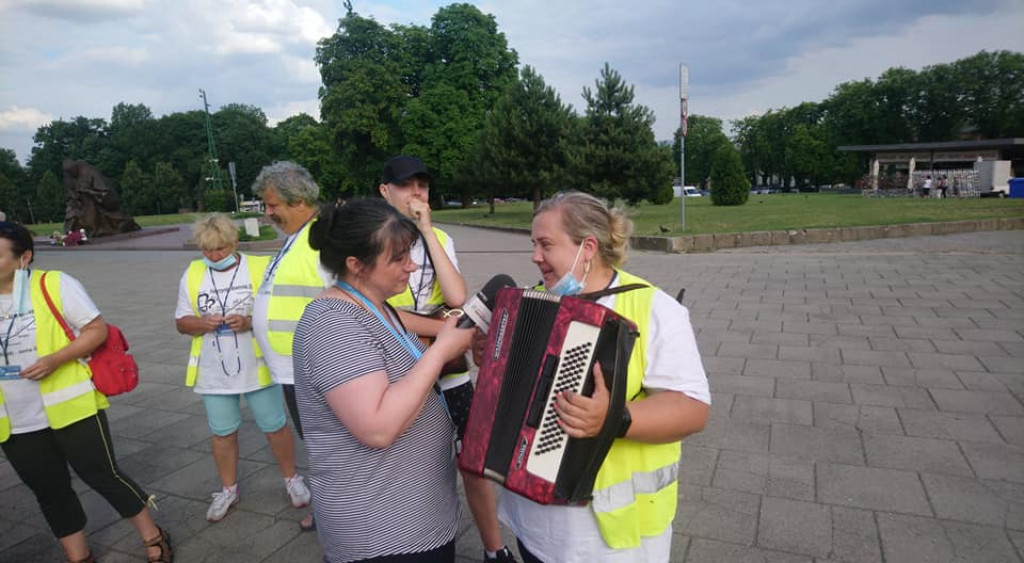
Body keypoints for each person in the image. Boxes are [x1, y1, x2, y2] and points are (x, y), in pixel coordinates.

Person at [492, 192, 710, 562]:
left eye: (546, 244)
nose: (535, 256)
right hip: (533, 524)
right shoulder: (531, 301)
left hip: (610, 540)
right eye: (534, 244)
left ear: (587, 247)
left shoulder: (654, 308)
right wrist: (492, 356)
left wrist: (614, 418)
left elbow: (693, 410)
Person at [293, 198, 473, 562]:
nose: (412, 265)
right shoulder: (332, 325)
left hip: (414, 514)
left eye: (410, 252)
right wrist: (440, 351)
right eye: (398, 258)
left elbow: (405, 329)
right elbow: (377, 428)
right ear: (355, 264)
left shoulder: (373, 304)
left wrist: (453, 333)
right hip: (382, 532)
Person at [0, 222, 172, 563]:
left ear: (24, 258)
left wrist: (57, 358)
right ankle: (79, 557)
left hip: (71, 406)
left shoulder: (53, 284)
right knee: (50, 491)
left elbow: (96, 330)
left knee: (103, 476)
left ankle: (153, 536)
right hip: (15, 419)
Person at [379, 156, 517, 563]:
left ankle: (495, 548)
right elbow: (374, 309)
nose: (417, 193)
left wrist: (426, 231)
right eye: (406, 185)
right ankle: (410, 538)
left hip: (450, 371)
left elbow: (457, 297)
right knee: (408, 458)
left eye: (422, 184)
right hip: (397, 367)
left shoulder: (438, 237)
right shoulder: (370, 240)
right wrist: (444, 329)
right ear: (385, 192)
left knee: (472, 458)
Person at [174, 214, 310, 522]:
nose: (213, 256)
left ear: (234, 243)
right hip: (214, 370)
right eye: (207, 250)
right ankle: (228, 489)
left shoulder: (260, 267)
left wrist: (249, 321)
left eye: (220, 249)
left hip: (259, 365)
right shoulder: (194, 272)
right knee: (222, 433)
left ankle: (292, 479)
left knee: (275, 426)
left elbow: (278, 310)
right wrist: (200, 323)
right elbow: (182, 322)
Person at [250, 161, 333, 530]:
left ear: (298, 199)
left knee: (329, 448)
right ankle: (333, 506)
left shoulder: (322, 240)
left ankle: (338, 513)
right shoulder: (296, 238)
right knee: (318, 446)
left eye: (272, 205)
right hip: (291, 367)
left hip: (314, 368)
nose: (267, 212)